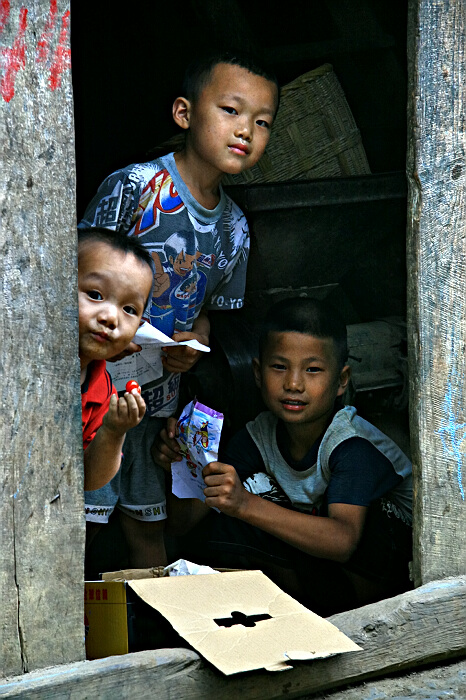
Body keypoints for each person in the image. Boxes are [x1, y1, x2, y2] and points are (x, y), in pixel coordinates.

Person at [79, 51, 280, 570]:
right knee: (77, 526)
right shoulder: (136, 189)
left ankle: (149, 635)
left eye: (262, 122)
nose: (246, 131)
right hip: (91, 391)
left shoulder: (235, 228)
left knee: (149, 530)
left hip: (156, 401)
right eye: (231, 111)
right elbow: (76, 278)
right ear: (184, 114)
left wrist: (198, 341)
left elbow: (211, 309)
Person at [154, 298, 413, 616]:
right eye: (279, 367)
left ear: (341, 381)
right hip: (320, 575)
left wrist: (244, 504)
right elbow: (183, 524)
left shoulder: (353, 446)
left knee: (255, 503)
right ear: (257, 373)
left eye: (313, 370)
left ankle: (338, 613)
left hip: (389, 584)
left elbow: (344, 541)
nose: (293, 384)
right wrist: (181, 466)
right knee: (223, 523)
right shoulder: (258, 435)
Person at [78, 227, 154, 492]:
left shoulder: (104, 390)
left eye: (129, 309)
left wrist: (113, 431)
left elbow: (89, 481)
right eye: (95, 295)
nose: (110, 317)